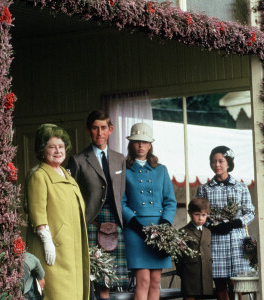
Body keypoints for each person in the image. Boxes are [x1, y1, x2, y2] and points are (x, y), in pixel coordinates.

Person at [66, 110, 128, 300]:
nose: (99, 133)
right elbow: (71, 197)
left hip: (115, 224)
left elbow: (122, 192)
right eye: (95, 128)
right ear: (88, 130)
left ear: (111, 130)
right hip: (91, 224)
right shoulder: (77, 160)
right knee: (92, 279)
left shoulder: (120, 159)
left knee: (109, 282)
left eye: (103, 128)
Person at [25, 124, 90, 300]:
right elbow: (37, 211)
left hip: (71, 252)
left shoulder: (67, 176)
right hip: (53, 253)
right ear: (42, 150)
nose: (58, 151)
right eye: (52, 147)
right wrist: (47, 241)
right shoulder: (39, 175)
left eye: (61, 147)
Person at [121, 122, 177, 300]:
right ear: (131, 144)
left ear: (150, 145)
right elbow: (120, 202)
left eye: (144, 142)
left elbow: (170, 201)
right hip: (135, 230)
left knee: (155, 281)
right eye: (136, 141)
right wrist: (136, 225)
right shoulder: (124, 170)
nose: (140, 145)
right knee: (143, 280)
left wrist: (164, 225)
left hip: (158, 230)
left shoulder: (161, 170)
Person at [197, 146, 255, 300]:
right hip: (215, 241)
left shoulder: (241, 187)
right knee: (221, 283)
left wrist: (235, 223)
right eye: (214, 161)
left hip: (237, 240)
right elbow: (199, 215)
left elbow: (250, 212)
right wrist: (212, 226)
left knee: (237, 284)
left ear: (228, 163)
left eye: (221, 161)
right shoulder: (204, 189)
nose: (217, 165)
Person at [176, 197, 213, 300]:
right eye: (197, 214)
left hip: (205, 274)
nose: (200, 218)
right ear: (190, 213)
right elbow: (178, 257)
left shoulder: (208, 232)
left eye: (203, 215)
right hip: (190, 274)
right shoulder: (183, 232)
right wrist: (182, 273)